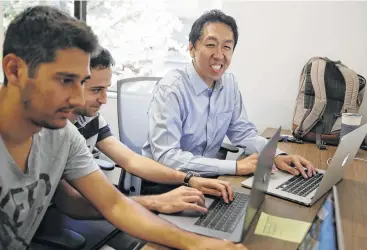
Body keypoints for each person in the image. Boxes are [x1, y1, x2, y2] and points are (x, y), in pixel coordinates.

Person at [0, 6, 248, 250]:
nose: (78, 100)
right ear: (14, 70)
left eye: (82, 82)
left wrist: (201, 244)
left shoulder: (63, 133)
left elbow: (114, 204)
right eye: (65, 81)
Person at [55, 46, 234, 219]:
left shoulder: (89, 118)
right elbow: (71, 203)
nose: (103, 99)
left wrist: (190, 179)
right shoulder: (52, 131)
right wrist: (155, 202)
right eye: (96, 90)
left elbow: (132, 160)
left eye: (105, 89)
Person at [142, 9, 316, 179]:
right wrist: (235, 167)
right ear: (191, 49)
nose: (219, 55)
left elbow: (243, 133)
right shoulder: (171, 90)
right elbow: (166, 156)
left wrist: (275, 155)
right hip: (167, 182)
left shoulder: (229, 85)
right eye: (211, 44)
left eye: (226, 47)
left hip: (205, 180)